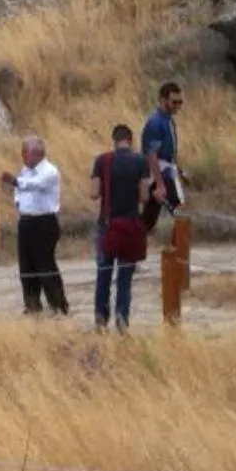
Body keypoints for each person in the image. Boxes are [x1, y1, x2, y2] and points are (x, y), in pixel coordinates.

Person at [89, 124, 150, 332]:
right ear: (130, 140)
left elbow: (94, 193)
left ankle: (100, 317)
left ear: (114, 139)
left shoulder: (102, 161)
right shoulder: (141, 161)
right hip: (130, 224)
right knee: (125, 277)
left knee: (103, 273)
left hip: (107, 224)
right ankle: (122, 318)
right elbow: (144, 196)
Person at [0, 135, 68, 315]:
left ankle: (58, 305)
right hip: (26, 221)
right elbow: (19, 191)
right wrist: (18, 202)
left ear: (37, 154)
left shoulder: (49, 171)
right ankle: (32, 304)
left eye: (25, 153)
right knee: (26, 265)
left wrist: (15, 181)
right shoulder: (25, 170)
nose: (22, 157)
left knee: (45, 264)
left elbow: (34, 185)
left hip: (44, 222)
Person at [139, 82, 185, 231]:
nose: (178, 106)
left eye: (180, 102)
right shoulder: (155, 122)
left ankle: (128, 243)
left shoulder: (168, 120)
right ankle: (179, 251)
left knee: (148, 220)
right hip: (160, 172)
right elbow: (151, 154)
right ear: (163, 100)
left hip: (166, 170)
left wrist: (179, 171)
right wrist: (159, 184)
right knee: (180, 211)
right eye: (174, 102)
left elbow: (170, 151)